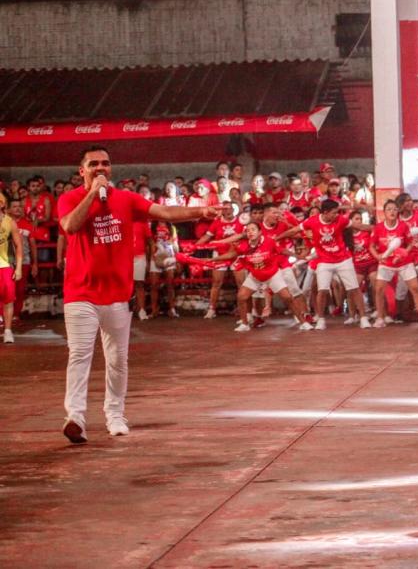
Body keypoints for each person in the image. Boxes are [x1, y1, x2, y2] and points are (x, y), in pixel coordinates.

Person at [58, 145, 220, 443]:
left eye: (105, 164)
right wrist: (94, 194)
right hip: (81, 293)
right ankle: (76, 419)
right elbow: (70, 225)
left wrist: (200, 211)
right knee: (79, 355)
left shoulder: (126, 199)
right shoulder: (69, 199)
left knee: (118, 359)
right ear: (82, 170)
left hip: (119, 294)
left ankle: (115, 415)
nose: (100, 168)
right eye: (93, 164)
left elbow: (166, 213)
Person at [281, 199, 372, 330]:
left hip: (343, 260)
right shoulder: (312, 221)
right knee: (322, 290)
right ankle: (321, 319)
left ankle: (363, 318)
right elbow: (294, 230)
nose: (336, 215)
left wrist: (378, 228)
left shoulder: (341, 220)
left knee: (354, 289)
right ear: (325, 212)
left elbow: (360, 227)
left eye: (337, 212)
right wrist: (277, 238)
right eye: (334, 213)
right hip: (324, 261)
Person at [214, 222, 313, 332]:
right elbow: (231, 255)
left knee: (287, 298)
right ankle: (244, 324)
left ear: (260, 232)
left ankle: (303, 322)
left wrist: (297, 256)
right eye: (248, 230)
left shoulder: (269, 242)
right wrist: (212, 260)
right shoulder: (243, 245)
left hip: (272, 274)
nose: (250, 232)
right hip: (255, 275)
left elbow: (283, 250)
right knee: (241, 297)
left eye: (253, 229)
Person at [370, 199, 418, 328]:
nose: (392, 212)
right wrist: (378, 257)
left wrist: (404, 252)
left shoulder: (403, 226)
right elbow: (371, 246)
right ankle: (380, 318)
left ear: (398, 211)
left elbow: (410, 243)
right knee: (379, 289)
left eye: (394, 209)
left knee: (415, 288)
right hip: (386, 263)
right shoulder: (378, 228)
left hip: (404, 262)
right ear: (384, 212)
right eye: (389, 209)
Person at [196, 201, 244, 319]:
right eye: (224, 209)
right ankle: (212, 309)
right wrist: (194, 247)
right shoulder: (216, 222)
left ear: (233, 209)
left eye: (229, 208)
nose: (227, 211)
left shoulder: (241, 222)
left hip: (236, 254)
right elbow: (207, 236)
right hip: (220, 254)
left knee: (241, 283)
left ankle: (243, 309)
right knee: (216, 283)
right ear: (221, 210)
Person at [0, 195, 24, 344]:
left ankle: (8, 331)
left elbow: (19, 246)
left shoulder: (10, 222)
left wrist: (19, 268)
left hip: (5, 266)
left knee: (9, 300)